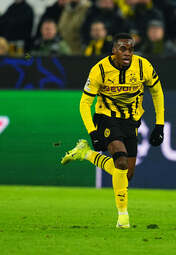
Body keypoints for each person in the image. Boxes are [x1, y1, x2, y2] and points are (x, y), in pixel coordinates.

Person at [61, 33, 165, 229]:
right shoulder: (99, 70)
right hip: (106, 117)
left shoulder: (144, 66)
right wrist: (93, 132)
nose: (127, 53)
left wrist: (160, 124)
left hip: (131, 121)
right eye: (123, 49)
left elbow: (157, 91)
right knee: (121, 161)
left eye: (131, 49)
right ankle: (123, 217)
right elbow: (84, 103)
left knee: (126, 175)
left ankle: (86, 154)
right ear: (114, 51)